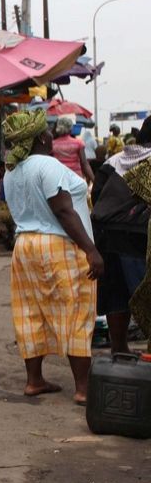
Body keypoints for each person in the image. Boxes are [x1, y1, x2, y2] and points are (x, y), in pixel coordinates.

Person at [2, 108, 102, 406]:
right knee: (76, 311)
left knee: (30, 309)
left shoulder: (12, 171)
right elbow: (63, 210)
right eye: (45, 132)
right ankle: (83, 388)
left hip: (25, 246)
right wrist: (91, 250)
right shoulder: (48, 165)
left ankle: (34, 380)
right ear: (39, 138)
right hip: (59, 245)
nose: (49, 135)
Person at [91, 118, 151, 354]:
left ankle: (119, 349)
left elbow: (96, 195)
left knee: (116, 295)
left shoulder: (115, 160)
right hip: (138, 237)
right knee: (144, 294)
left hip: (105, 234)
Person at [51, 117, 94, 184]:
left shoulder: (53, 144)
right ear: (71, 129)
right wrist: (93, 180)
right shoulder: (78, 143)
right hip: (76, 178)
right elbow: (84, 163)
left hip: (59, 178)